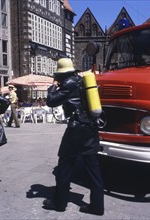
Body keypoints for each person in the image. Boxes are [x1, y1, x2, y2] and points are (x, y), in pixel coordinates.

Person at [42, 58, 104, 216]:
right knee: (93, 170)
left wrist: (52, 88)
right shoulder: (82, 80)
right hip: (90, 127)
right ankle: (97, 206)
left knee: (64, 166)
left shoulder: (68, 83)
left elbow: (51, 101)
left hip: (76, 129)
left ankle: (59, 202)